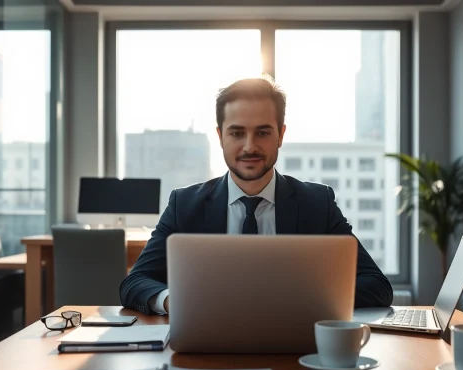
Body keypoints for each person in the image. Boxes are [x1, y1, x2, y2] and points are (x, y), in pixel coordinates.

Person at [119, 75, 393, 315]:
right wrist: (173, 301)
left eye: (262, 132)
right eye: (237, 133)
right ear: (220, 137)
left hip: (295, 350)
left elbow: (376, 285)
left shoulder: (317, 204)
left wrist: (303, 300)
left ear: (281, 135)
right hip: (208, 347)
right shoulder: (185, 204)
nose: (249, 147)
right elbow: (135, 282)